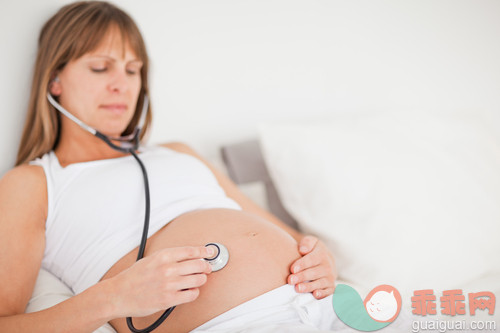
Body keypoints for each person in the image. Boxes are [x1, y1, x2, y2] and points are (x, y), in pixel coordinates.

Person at [0, 2, 337, 332]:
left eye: (133, 70)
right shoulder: (34, 183)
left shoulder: (178, 152)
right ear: (54, 80)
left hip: (325, 313)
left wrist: (321, 260)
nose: (122, 84)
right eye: (101, 67)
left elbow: (299, 241)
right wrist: (111, 298)